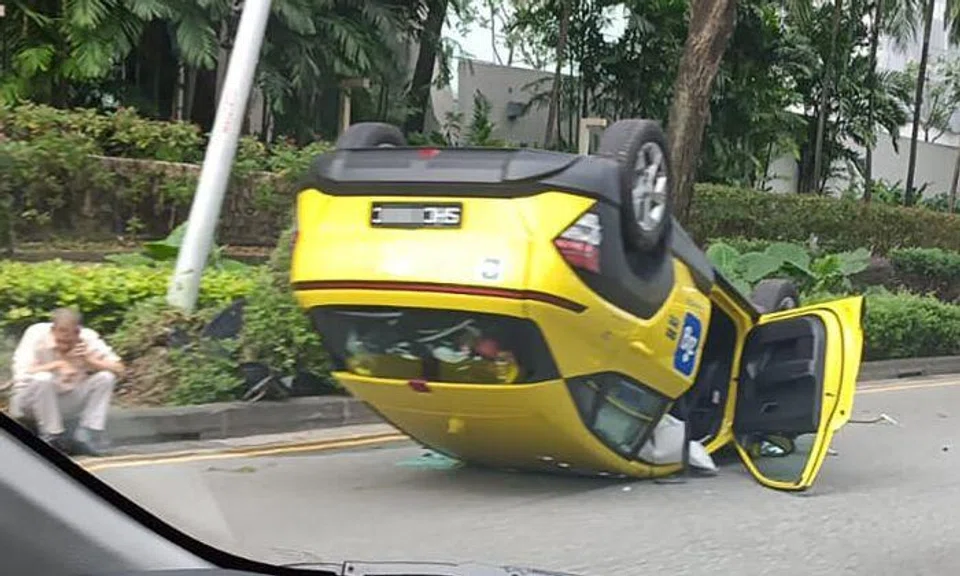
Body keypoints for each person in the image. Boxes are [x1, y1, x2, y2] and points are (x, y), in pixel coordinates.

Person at [8, 308, 125, 456]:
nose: (63, 345)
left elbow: (119, 369)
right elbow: (22, 373)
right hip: (30, 401)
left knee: (105, 377)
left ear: (78, 332)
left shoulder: (88, 338)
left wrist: (90, 360)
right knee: (43, 379)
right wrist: (58, 365)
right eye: (60, 341)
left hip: (66, 400)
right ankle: (52, 436)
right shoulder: (36, 334)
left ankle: (88, 433)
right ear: (53, 330)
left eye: (69, 342)